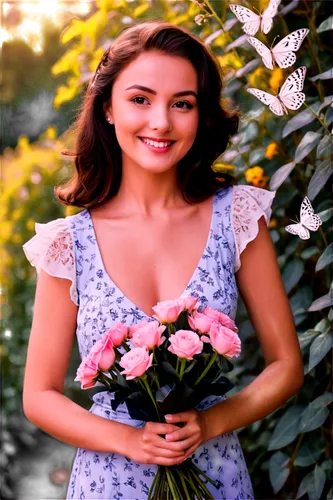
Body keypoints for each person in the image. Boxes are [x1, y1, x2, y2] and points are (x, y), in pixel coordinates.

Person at [22, 19, 304, 500]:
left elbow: (286, 365)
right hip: (107, 482)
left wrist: (213, 421)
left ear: (200, 115)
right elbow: (39, 396)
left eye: (182, 104)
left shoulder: (236, 217)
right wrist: (129, 440)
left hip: (216, 474)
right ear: (108, 108)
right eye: (140, 99)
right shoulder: (68, 243)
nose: (161, 122)